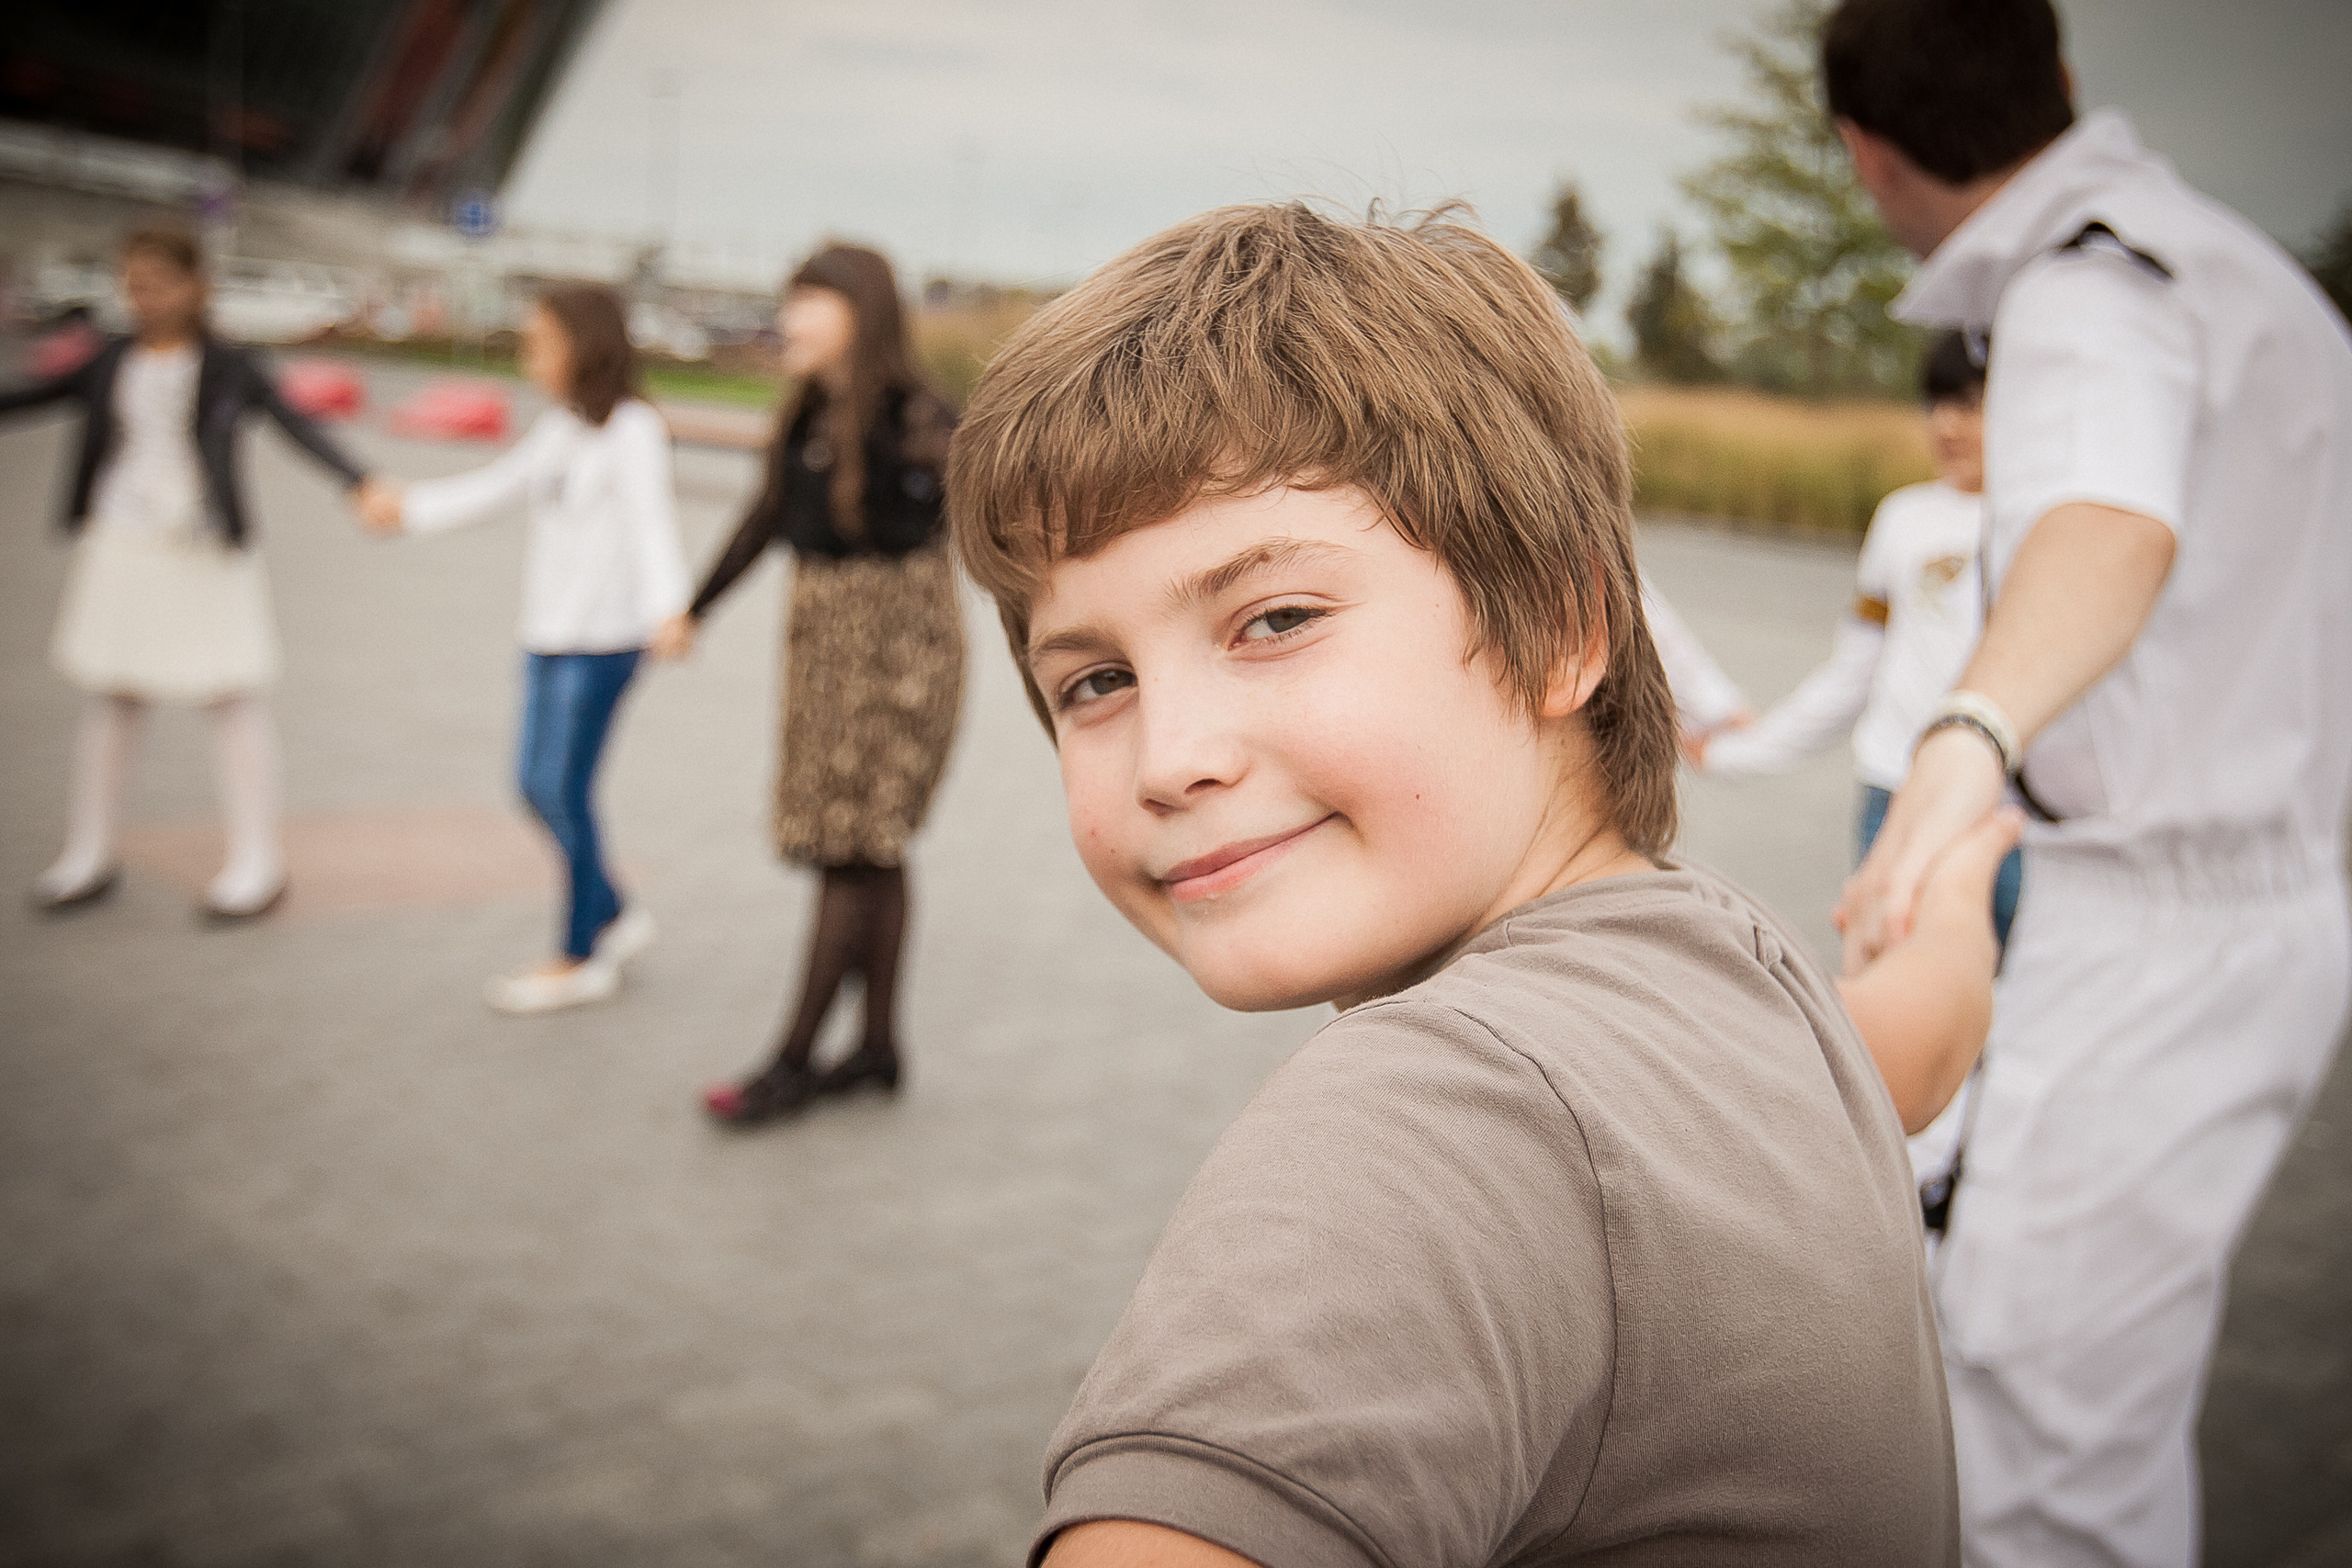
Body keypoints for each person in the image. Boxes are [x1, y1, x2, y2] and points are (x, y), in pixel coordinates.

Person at [947, 200, 2019, 1567]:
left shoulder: (1436, 1116)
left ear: (1563, 626)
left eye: (1273, 618)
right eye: (1094, 679)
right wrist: (1965, 877)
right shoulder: (1741, 980)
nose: (1170, 756)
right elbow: (1914, 1040)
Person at [1821, 2, 2352, 1562]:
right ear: (2056, 75)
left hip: (2150, 925)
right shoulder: (2260, 287)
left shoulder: (2088, 288)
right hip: (2271, 900)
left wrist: (1967, 729)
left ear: (1864, 152)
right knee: (2095, 1413)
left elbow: (2106, 522)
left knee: (2039, 1434)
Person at [656, 244, 964, 1125]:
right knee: (868, 846)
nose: (788, 320)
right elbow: (763, 515)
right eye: (788, 303)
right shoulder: (806, 413)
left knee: (854, 844)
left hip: (897, 652)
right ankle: (875, 1048)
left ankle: (794, 1060)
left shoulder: (915, 415)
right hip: (824, 644)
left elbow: (992, 500)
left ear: (860, 313)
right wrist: (695, 607)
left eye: (809, 304)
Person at [0, 225, 379, 921]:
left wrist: (360, 481)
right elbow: (31, 394)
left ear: (194, 285)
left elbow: (299, 423)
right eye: (132, 285)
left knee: (230, 696)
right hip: (123, 540)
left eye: (157, 284)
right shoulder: (112, 356)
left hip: (203, 546)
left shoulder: (229, 363)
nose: (143, 298)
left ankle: (256, 861)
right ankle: (88, 852)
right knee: (112, 696)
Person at [359, 284, 686, 1014]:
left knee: (563, 792)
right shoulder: (563, 427)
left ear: (585, 344)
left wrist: (670, 608)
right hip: (546, 635)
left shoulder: (632, 428)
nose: (528, 356)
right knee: (533, 787)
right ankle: (614, 911)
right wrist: (405, 508)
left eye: (541, 341)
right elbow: (492, 488)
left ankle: (581, 956)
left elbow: (652, 525)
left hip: (601, 644)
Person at [1699, 330, 2022, 947]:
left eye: (1971, 404)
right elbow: (1855, 673)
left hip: (2006, 813)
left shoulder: (2047, 524)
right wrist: (1742, 751)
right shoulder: (1903, 519)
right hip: (1894, 796)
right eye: (1937, 404)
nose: (1948, 425)